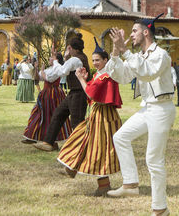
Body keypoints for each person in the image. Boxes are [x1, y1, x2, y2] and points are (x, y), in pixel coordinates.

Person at [105, 13, 176, 216]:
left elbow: (147, 72)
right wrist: (116, 53)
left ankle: (160, 209)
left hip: (162, 110)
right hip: (148, 109)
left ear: (146, 32)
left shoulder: (160, 55)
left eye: (134, 31)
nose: (131, 35)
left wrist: (126, 51)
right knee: (120, 137)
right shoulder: (140, 56)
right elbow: (122, 76)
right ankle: (130, 184)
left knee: (153, 160)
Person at [57, 38, 122, 196]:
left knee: (100, 148)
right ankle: (72, 167)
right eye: (93, 60)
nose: (95, 63)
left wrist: (81, 80)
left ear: (106, 60)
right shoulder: (100, 74)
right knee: (85, 138)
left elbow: (91, 92)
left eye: (98, 60)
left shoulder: (107, 74)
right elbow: (92, 91)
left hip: (104, 116)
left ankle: (102, 184)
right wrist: (86, 80)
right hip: (97, 114)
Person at [34, 33, 91, 152]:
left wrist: (55, 60)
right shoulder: (78, 57)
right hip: (73, 93)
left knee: (77, 122)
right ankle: (49, 142)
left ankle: (81, 148)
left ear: (70, 48)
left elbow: (62, 71)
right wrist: (63, 59)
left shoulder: (76, 59)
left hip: (79, 94)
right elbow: (66, 68)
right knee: (58, 114)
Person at [22, 53, 72, 144]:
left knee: (53, 115)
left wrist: (42, 71)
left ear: (56, 60)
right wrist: (36, 69)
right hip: (45, 93)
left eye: (51, 58)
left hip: (54, 94)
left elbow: (49, 79)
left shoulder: (58, 69)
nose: (49, 59)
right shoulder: (48, 69)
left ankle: (52, 139)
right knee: (38, 113)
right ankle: (33, 135)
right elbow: (38, 78)